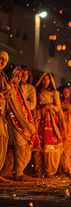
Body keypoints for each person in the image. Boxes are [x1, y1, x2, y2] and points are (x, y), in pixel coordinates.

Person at [6, 67, 40, 181]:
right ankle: (17, 173)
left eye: (21, 76)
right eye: (19, 76)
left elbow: (26, 105)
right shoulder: (10, 87)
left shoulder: (17, 88)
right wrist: (25, 124)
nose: (20, 78)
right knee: (19, 147)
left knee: (21, 147)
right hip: (14, 122)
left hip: (21, 121)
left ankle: (15, 171)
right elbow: (15, 108)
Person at [35, 72, 64, 177]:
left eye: (47, 79)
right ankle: (39, 169)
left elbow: (58, 108)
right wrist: (41, 108)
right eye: (43, 79)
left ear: (50, 81)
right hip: (40, 120)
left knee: (50, 146)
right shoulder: (37, 92)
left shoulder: (54, 93)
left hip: (51, 122)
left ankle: (50, 170)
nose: (45, 81)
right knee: (39, 145)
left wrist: (49, 106)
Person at [0, 51, 11, 183]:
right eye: (1, 59)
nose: (2, 62)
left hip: (3, 111)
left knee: (3, 140)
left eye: (5, 61)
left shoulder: (3, 76)